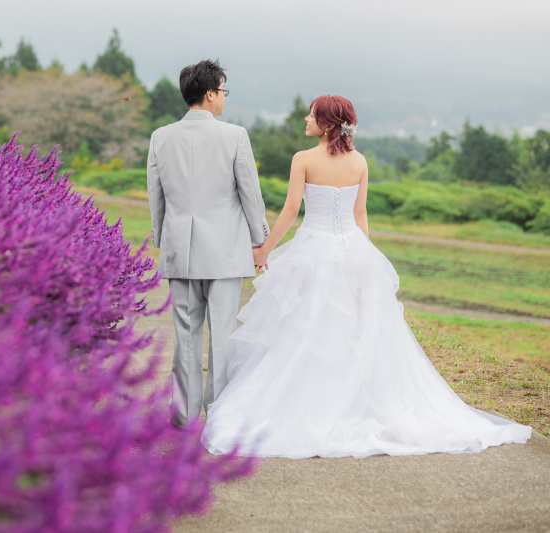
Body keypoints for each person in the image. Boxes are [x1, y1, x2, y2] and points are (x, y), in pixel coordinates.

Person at [201, 95, 532, 458]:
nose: (305, 120)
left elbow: (291, 210)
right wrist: (365, 258)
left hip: (314, 249)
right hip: (353, 251)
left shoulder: (303, 159)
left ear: (327, 124)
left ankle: (310, 403)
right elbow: (360, 215)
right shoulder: (359, 161)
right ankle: (349, 403)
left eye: (312, 115)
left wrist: (264, 250)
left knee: (307, 327)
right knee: (351, 330)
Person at [147, 60, 270, 428]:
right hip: (226, 254)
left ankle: (183, 416)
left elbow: (157, 198)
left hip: (179, 250)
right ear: (210, 93)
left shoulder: (160, 137)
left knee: (185, 336)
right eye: (223, 91)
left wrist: (161, 237)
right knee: (223, 336)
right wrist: (259, 239)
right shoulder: (234, 136)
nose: (223, 100)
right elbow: (250, 194)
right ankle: (219, 414)